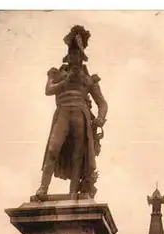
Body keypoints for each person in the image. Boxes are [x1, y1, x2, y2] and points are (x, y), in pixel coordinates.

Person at [35, 26, 108, 199]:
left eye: (78, 54)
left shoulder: (88, 78)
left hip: (80, 115)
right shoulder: (58, 73)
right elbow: (48, 90)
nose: (75, 58)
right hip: (62, 113)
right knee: (53, 149)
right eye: (72, 54)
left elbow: (102, 103)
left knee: (78, 155)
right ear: (68, 56)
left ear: (82, 57)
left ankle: (73, 192)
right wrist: (65, 81)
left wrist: (100, 118)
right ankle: (43, 189)